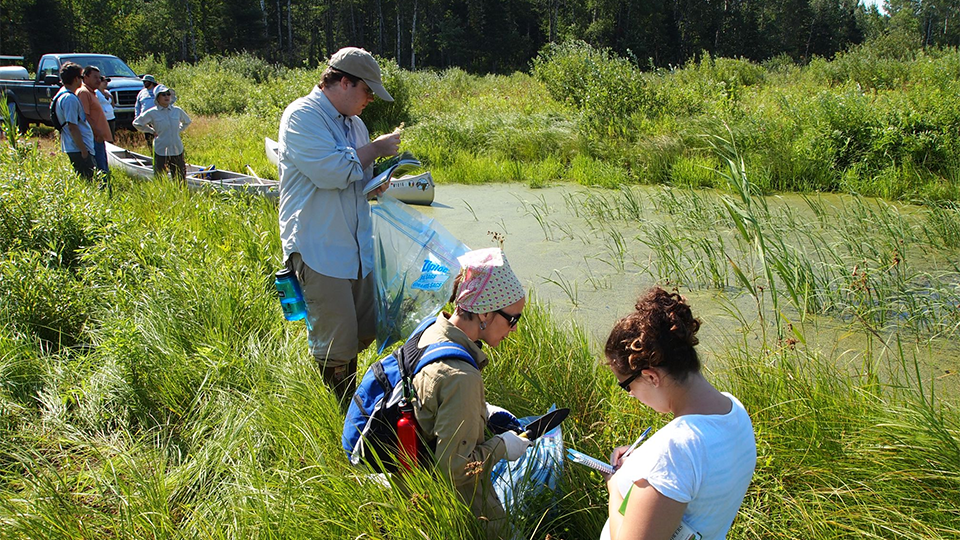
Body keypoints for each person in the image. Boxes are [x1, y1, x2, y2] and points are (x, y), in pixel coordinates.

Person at [277, 46, 400, 403]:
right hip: (319, 246)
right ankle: (341, 412)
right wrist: (375, 150)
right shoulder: (302, 116)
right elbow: (331, 171)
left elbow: (356, 181)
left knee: (362, 329)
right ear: (343, 82)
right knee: (335, 338)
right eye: (367, 92)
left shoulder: (356, 125)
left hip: (355, 247)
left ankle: (355, 401)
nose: (370, 101)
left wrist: (377, 183)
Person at [600, 287, 756, 540]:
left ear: (650, 376)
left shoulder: (675, 451)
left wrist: (615, 486)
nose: (630, 395)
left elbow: (678, 463)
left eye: (626, 386)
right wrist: (640, 463)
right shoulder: (733, 409)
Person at [411, 247, 530, 539]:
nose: (514, 330)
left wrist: (480, 410)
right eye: (512, 319)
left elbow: (430, 402)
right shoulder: (461, 375)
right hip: (465, 513)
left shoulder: (430, 330)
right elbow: (454, 468)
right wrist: (503, 446)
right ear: (486, 313)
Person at [132, 84, 191, 183]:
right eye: (163, 95)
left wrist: (178, 130)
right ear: (157, 98)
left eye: (168, 94)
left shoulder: (177, 111)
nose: (166, 97)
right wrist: (151, 131)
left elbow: (187, 121)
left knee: (180, 177)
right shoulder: (152, 112)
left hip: (176, 148)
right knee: (160, 177)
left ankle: (180, 194)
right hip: (161, 149)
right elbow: (137, 123)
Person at [53, 62, 96, 181]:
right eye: (81, 77)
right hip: (78, 148)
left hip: (77, 147)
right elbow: (72, 126)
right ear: (76, 79)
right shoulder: (69, 99)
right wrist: (83, 150)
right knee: (89, 181)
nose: (82, 80)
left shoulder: (63, 94)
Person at [76, 65, 113, 174]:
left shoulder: (92, 92)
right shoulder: (84, 92)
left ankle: (106, 189)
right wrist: (98, 133)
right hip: (94, 138)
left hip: (98, 138)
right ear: (86, 77)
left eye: (99, 78)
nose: (98, 80)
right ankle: (102, 190)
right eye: (95, 77)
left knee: (104, 167)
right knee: (100, 170)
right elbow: (85, 116)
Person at [136, 74, 158, 145]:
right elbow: (137, 106)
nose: (144, 83)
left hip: (156, 117)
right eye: (144, 82)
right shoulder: (141, 93)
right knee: (148, 137)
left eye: (146, 82)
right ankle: (151, 151)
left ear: (151, 82)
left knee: (157, 136)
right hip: (145, 118)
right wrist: (137, 116)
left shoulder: (157, 91)